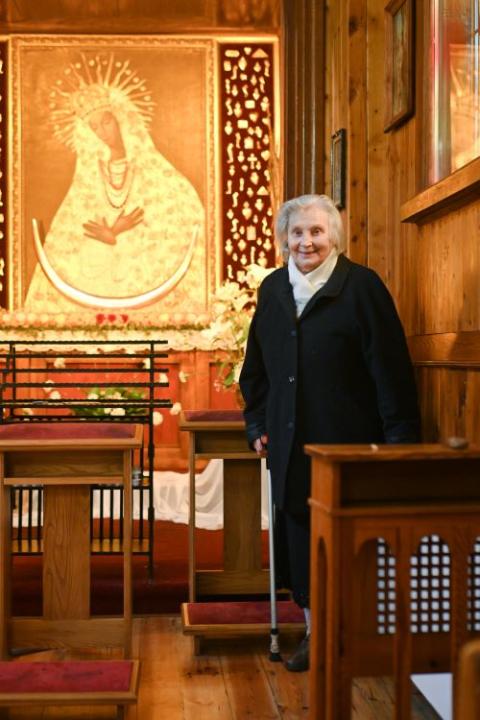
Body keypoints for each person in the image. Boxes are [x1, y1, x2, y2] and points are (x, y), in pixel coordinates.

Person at [239, 193, 420, 672]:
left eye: (317, 232)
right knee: (300, 541)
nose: (307, 242)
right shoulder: (273, 290)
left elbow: (391, 371)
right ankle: (316, 636)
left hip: (349, 443)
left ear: (334, 237)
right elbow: (254, 369)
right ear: (283, 240)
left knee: (351, 543)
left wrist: (401, 444)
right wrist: (256, 423)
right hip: (290, 444)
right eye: (297, 233)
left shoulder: (361, 287)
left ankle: (356, 636)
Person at [25, 54, 205, 312]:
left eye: (106, 122)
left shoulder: (154, 171)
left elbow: (175, 222)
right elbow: (74, 232)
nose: (102, 132)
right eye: (94, 127)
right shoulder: (90, 176)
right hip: (97, 274)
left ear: (122, 119)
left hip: (145, 271)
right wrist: (109, 235)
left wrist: (124, 233)